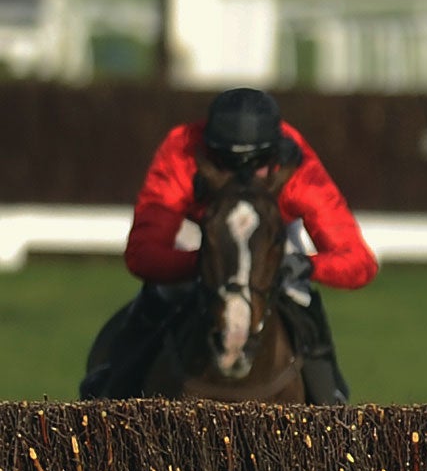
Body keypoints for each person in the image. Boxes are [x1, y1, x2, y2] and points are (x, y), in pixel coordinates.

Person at [84, 87, 377, 402]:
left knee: (300, 296)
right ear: (209, 151)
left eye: (257, 164)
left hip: (268, 234)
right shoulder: (183, 152)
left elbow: (359, 261)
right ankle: (112, 387)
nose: (244, 177)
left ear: (276, 154)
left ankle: (330, 400)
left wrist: (308, 265)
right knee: (164, 293)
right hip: (205, 230)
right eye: (228, 163)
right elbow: (143, 254)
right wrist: (207, 263)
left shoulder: (300, 171)